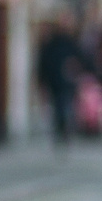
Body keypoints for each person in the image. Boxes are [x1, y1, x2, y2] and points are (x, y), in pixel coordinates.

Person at [37, 18, 86, 150]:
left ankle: (63, 130)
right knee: (61, 106)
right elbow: (44, 64)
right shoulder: (59, 44)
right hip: (59, 82)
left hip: (62, 82)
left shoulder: (62, 44)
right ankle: (63, 130)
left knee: (62, 106)